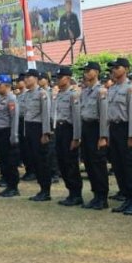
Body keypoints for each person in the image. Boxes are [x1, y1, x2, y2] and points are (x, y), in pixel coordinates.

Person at [106, 58, 132, 215]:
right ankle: (126, 198)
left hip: (126, 129)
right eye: (113, 67)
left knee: (129, 166)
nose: (114, 70)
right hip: (113, 128)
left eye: (117, 67)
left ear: (126, 69)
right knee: (118, 165)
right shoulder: (112, 89)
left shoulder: (131, 88)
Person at [79, 62, 110, 209]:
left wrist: (103, 136)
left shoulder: (101, 91)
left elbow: (104, 115)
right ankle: (95, 195)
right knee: (89, 163)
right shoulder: (85, 91)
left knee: (98, 163)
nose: (85, 72)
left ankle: (102, 197)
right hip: (86, 128)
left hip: (96, 128)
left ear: (96, 72)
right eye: (84, 70)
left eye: (88, 70)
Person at [53, 67, 83, 206]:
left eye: (60, 77)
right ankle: (70, 192)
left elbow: (77, 118)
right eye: (57, 78)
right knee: (62, 162)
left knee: (70, 163)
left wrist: (76, 137)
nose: (57, 80)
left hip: (69, 130)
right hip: (59, 129)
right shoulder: (59, 94)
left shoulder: (73, 95)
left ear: (68, 78)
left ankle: (76, 194)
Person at [23, 68, 53, 201]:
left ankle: (46, 190)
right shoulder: (26, 94)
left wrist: (46, 132)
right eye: (25, 77)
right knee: (34, 159)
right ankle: (41, 188)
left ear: (35, 79)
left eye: (28, 77)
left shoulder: (42, 94)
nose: (26, 80)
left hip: (39, 128)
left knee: (42, 161)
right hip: (29, 127)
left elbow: (46, 114)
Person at [0, 74, 20, 197]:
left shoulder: (11, 99)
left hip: (7, 133)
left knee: (10, 162)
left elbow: (14, 119)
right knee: (2, 161)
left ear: (7, 86)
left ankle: (13, 187)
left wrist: (14, 136)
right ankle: (7, 184)